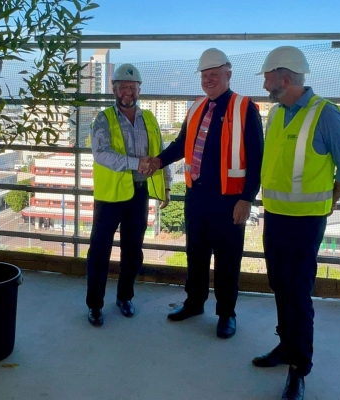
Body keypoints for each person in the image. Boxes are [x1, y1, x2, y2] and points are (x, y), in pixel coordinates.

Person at [252, 46, 340, 400]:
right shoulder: (277, 114)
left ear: (284, 78)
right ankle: (285, 347)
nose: (265, 84)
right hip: (276, 217)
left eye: (267, 77)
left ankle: (299, 369)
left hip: (305, 223)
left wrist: (331, 201)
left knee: (298, 295)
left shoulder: (325, 114)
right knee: (279, 286)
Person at [149, 48, 264, 339]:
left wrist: (247, 198)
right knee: (196, 255)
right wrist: (159, 161)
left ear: (228, 74)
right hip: (196, 196)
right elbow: (181, 144)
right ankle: (194, 303)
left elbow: (257, 158)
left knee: (228, 260)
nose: (209, 80)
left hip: (229, 200)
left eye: (214, 74)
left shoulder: (244, 108)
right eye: (204, 75)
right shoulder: (197, 107)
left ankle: (226, 314)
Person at [85, 63, 172, 327]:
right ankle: (95, 306)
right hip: (110, 197)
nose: (128, 92)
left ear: (139, 90)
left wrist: (166, 185)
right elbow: (101, 154)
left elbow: (160, 152)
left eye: (133, 87)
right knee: (99, 252)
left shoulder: (149, 119)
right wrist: (136, 164)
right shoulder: (103, 118)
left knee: (133, 252)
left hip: (139, 194)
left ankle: (125, 297)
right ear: (113, 89)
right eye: (123, 86)